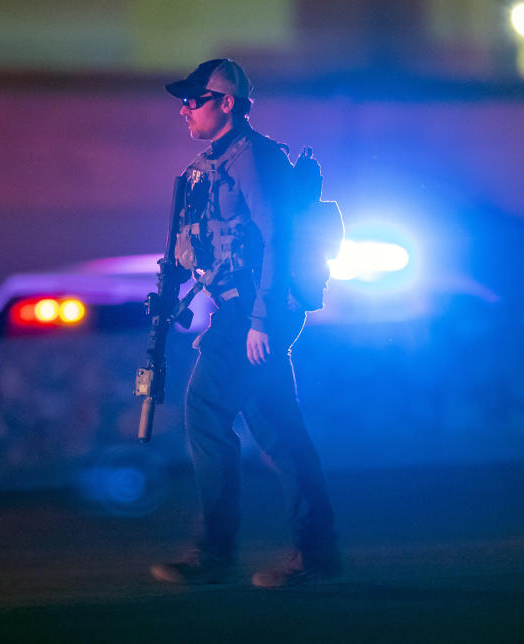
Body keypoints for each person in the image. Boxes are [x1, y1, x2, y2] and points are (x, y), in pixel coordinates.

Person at [150, 59, 340, 588]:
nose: (184, 109)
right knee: (279, 431)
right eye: (183, 101)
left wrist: (260, 321)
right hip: (244, 310)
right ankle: (317, 553)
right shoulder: (209, 165)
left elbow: (277, 240)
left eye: (196, 100)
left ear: (226, 103)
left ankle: (215, 552)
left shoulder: (252, 159)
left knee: (206, 412)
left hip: (254, 313)